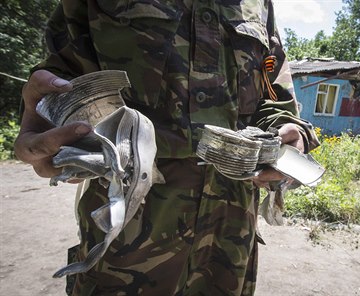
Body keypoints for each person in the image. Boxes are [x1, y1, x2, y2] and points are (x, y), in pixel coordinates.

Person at [14, 0, 319, 295]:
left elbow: (272, 92)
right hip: (130, 240)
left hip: (230, 239)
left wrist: (290, 133)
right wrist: (50, 115)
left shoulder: (259, 4)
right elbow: (61, 78)